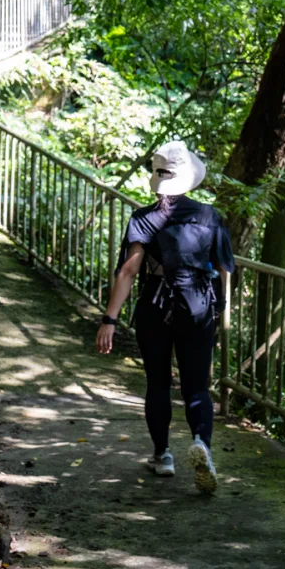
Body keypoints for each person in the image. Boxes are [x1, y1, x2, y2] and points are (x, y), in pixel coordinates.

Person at [96, 141, 235, 495]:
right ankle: (202, 444)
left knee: (158, 382)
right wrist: (222, 314)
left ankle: (163, 455)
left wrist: (109, 320)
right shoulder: (209, 216)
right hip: (199, 306)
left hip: (155, 307)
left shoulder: (144, 217)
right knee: (197, 387)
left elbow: (129, 271)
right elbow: (224, 270)